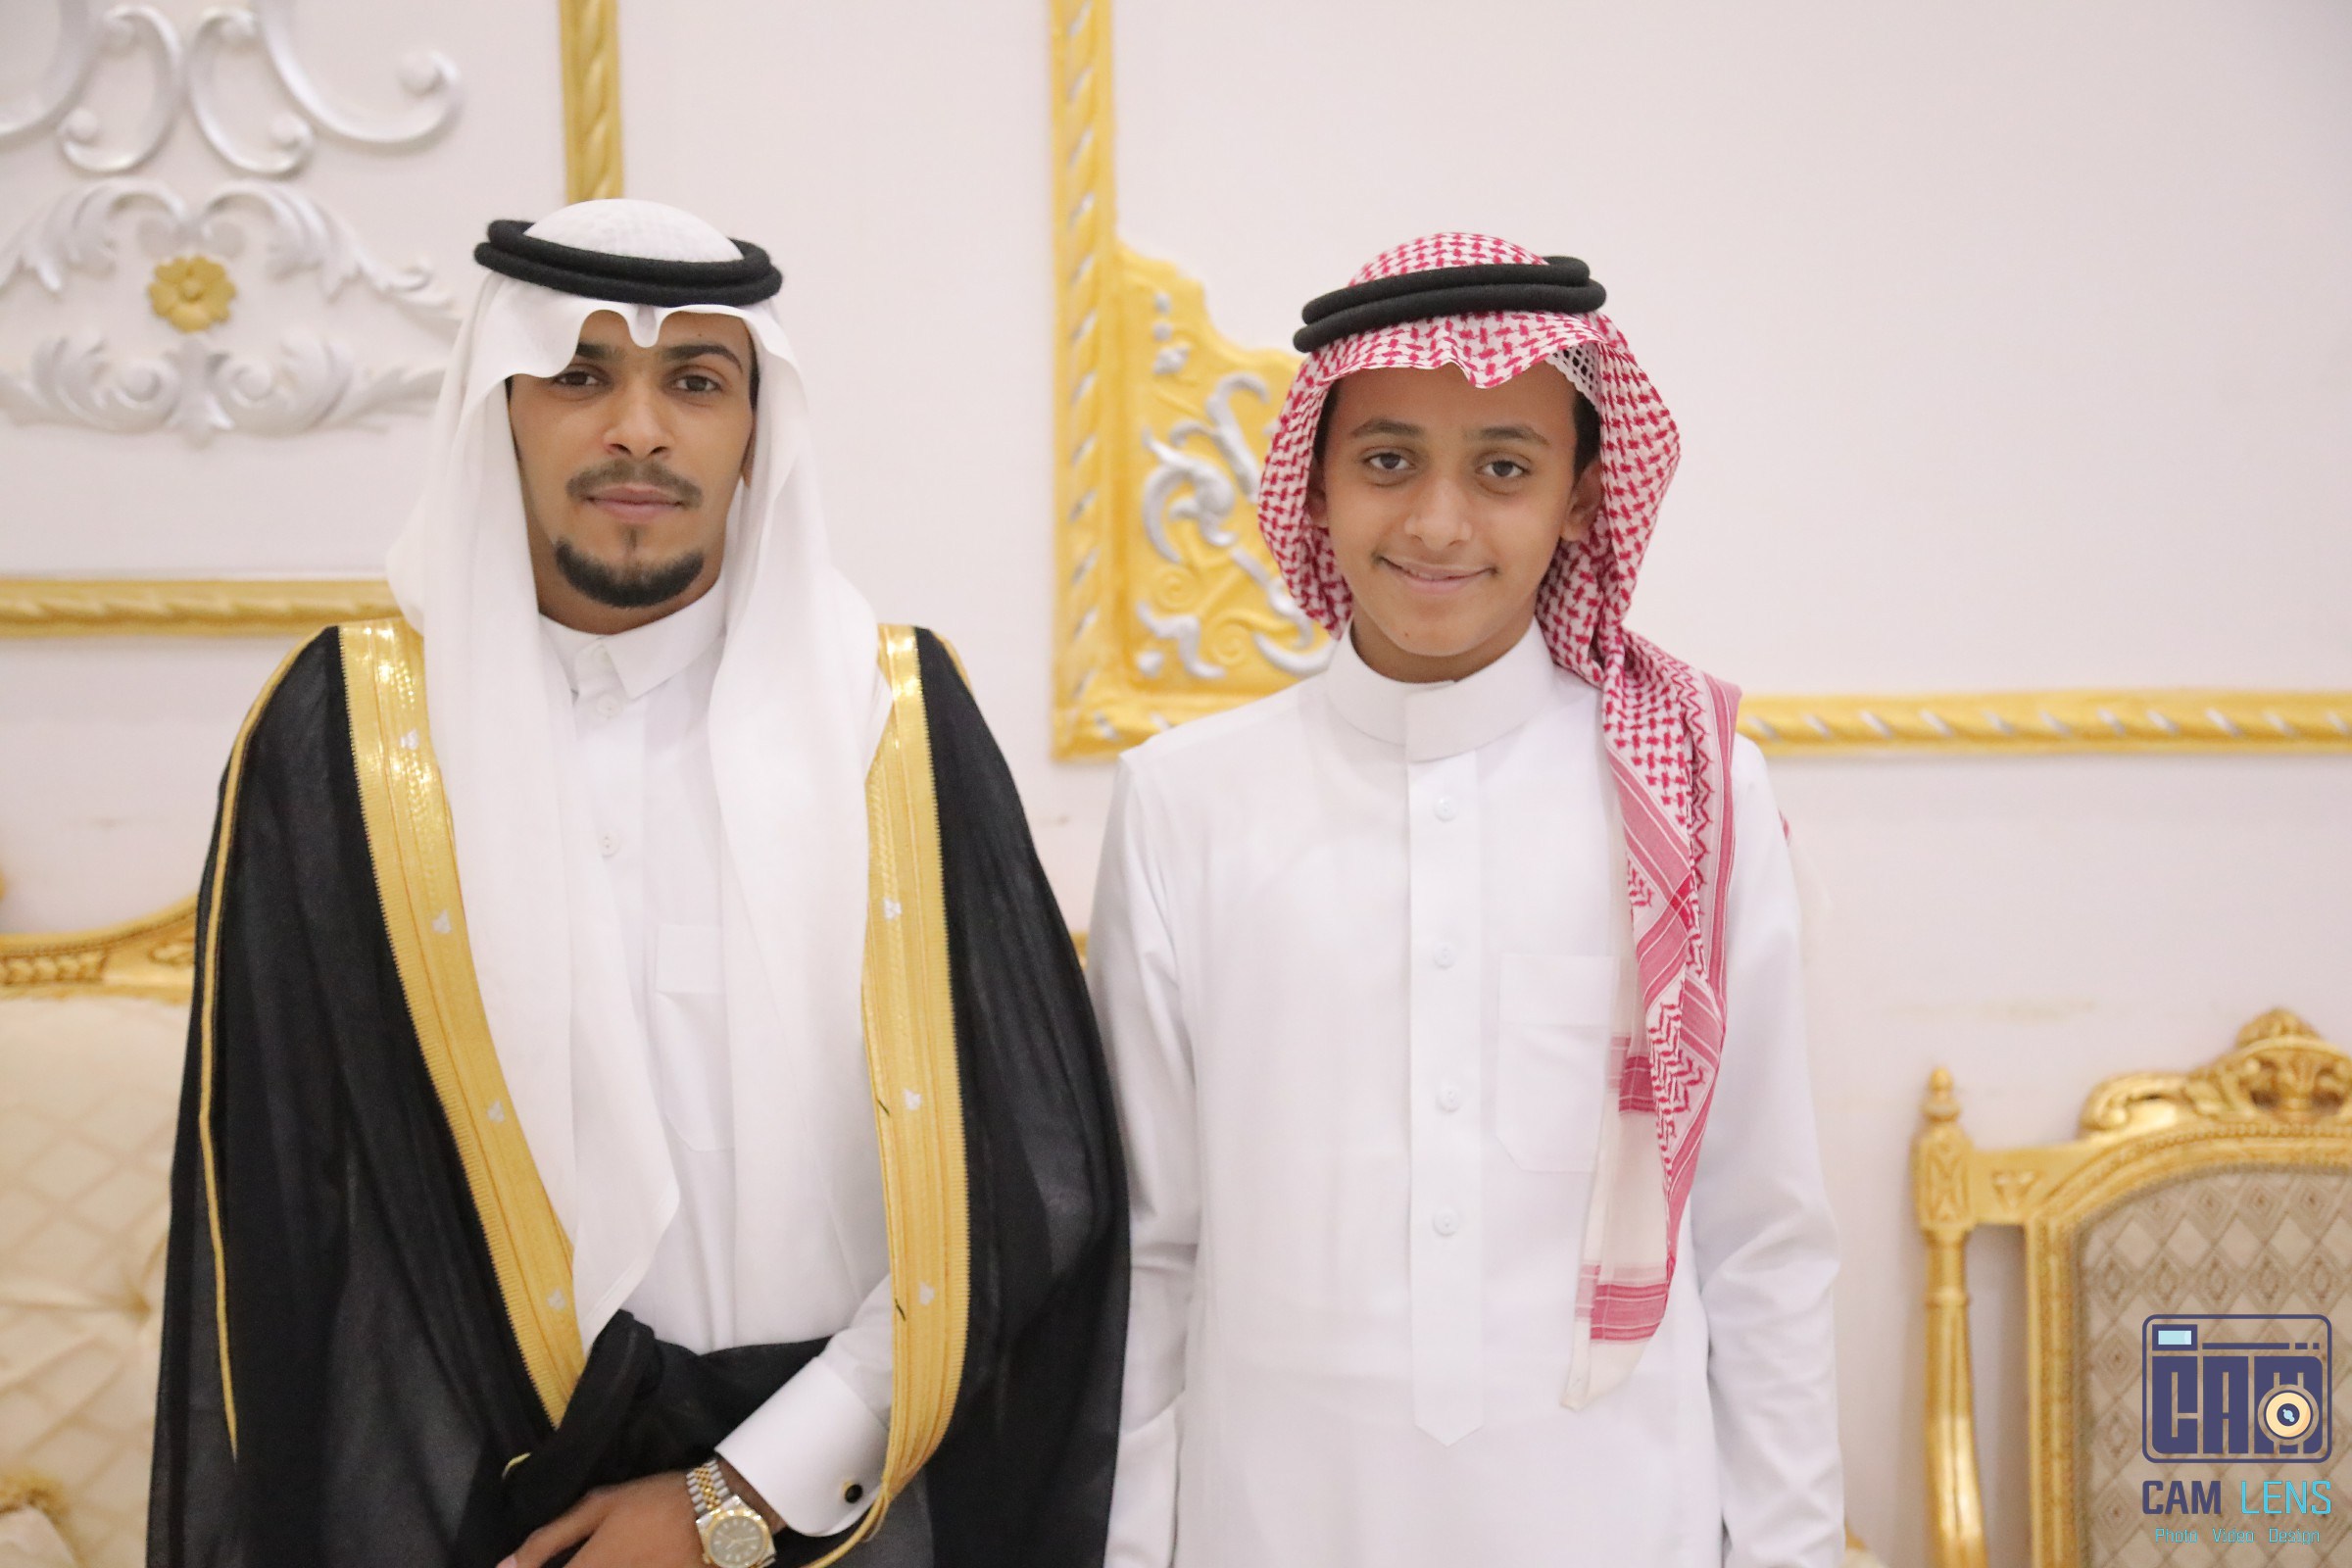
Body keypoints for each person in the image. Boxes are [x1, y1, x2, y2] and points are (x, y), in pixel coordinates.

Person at [150, 200, 1126, 1568]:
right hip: (467, 1507)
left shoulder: (894, 719)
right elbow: (278, 1222)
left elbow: (1033, 1175)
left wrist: (742, 1494)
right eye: (580, 373)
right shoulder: (347, 733)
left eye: (696, 382)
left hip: (844, 1504)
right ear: (499, 410)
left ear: (755, 429)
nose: (640, 430)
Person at [1088, 234, 1841, 1567]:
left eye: (1503, 468)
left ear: (1580, 498)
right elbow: (1154, 1254)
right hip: (1275, 1521)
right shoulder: (1185, 800)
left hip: (1615, 1519)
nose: (1438, 523)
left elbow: (1760, 1238)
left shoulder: (1691, 789)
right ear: (1316, 485)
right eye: (1388, 462)